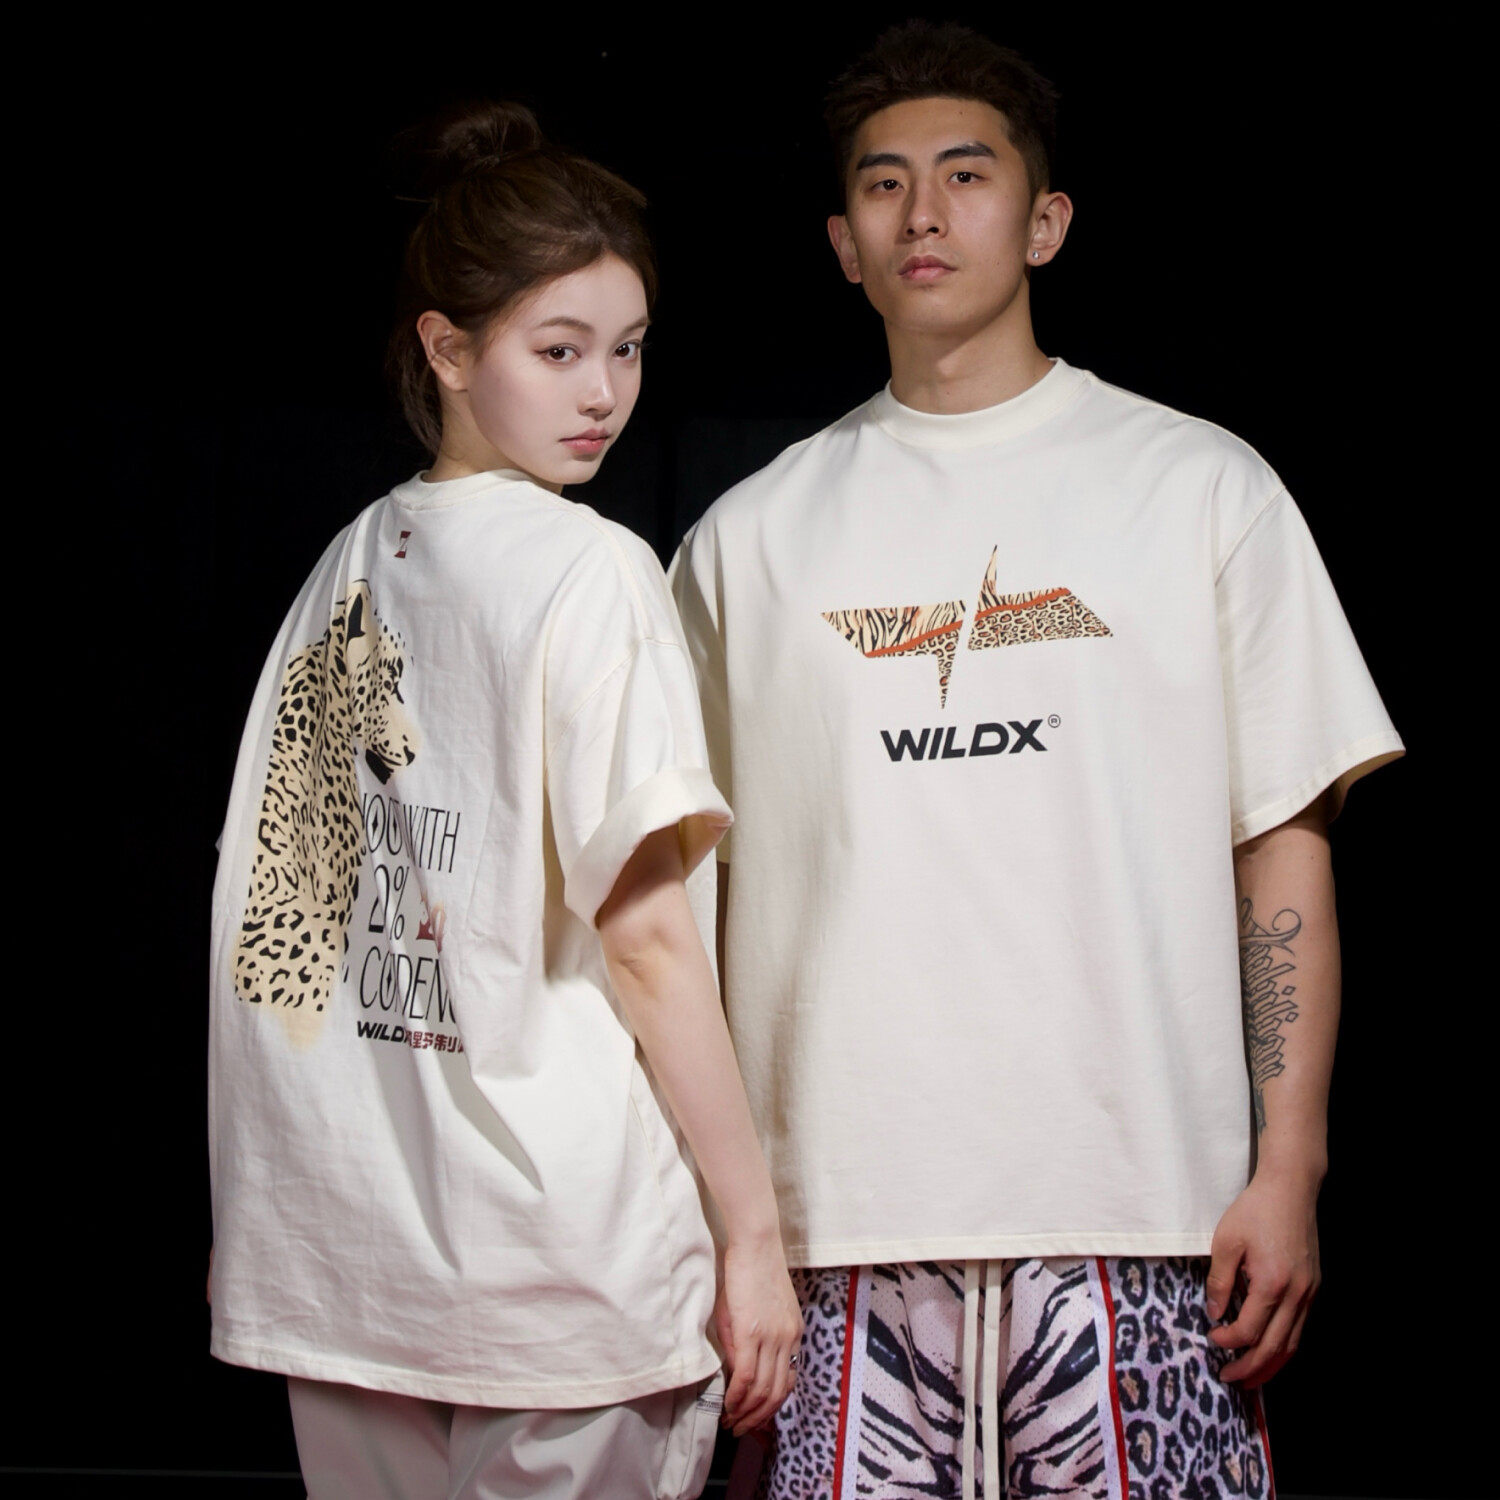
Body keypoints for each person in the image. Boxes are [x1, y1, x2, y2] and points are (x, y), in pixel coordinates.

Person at [670, 24, 1402, 1500]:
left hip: (1148, 1223)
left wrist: (1291, 1166)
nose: (923, 213)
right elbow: (675, 916)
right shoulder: (747, 540)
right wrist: (716, 1225)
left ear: (1047, 220)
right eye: (883, 184)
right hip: (833, 1238)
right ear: (843, 244)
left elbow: (1283, 842)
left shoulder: (1202, 488)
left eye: (966, 174)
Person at [207, 102, 800, 1500]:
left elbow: (285, 921)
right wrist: (753, 1233)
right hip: (555, 1272)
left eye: (628, 348)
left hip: (345, 1266)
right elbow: (648, 941)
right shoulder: (590, 570)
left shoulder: (349, 563)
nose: (605, 394)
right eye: (559, 350)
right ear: (446, 347)